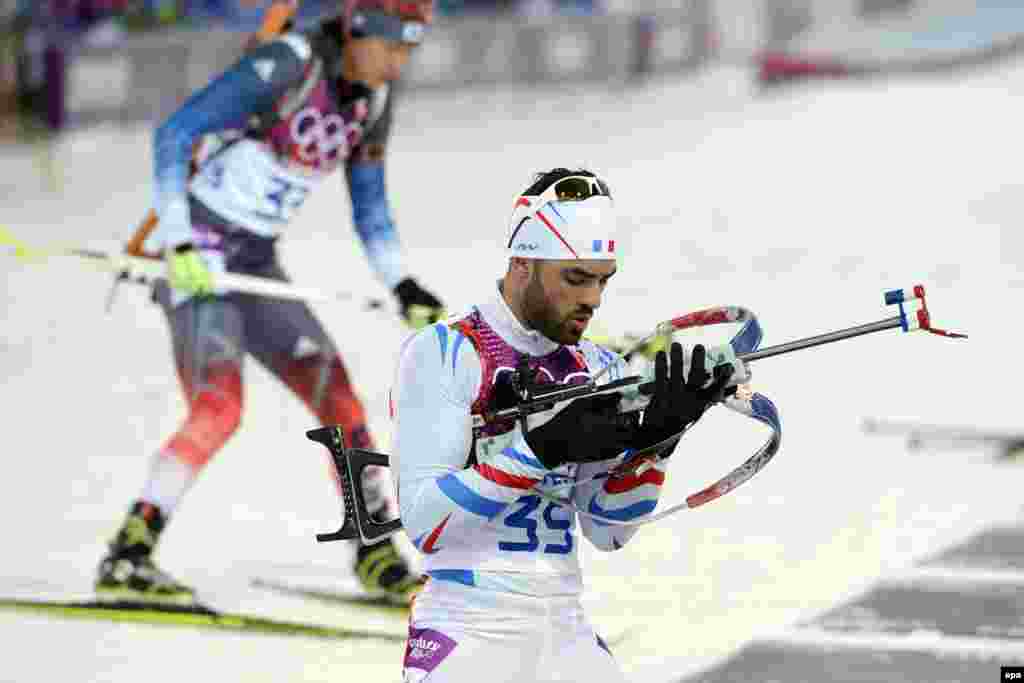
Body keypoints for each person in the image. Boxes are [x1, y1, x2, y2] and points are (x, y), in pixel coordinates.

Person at [96, 0, 445, 605]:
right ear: (360, 32)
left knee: (336, 394)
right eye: (392, 49)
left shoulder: (375, 99)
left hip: (254, 259)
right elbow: (175, 134)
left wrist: (402, 284)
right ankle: (128, 557)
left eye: (408, 53)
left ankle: (375, 550)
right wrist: (178, 241)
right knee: (219, 406)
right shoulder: (291, 63)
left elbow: (369, 207)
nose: (397, 66)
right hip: (197, 252)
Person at [390, 168, 733, 682]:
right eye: (576, 278)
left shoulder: (599, 368)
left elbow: (610, 530)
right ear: (523, 262)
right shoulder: (446, 352)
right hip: (467, 624)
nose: (593, 298)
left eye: (603, 280)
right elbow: (424, 523)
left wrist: (661, 438)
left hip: (564, 625)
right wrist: (539, 449)